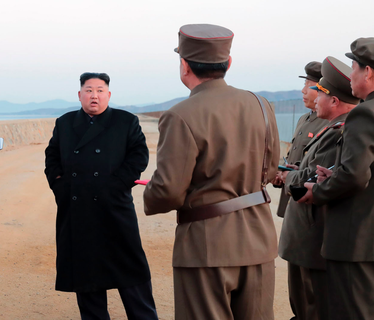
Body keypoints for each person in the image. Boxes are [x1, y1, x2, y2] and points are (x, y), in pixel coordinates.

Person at [143, 24, 280, 320]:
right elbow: (269, 170)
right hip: (258, 239)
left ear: (184, 66)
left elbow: (167, 190)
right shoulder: (261, 105)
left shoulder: (180, 115)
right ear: (228, 63)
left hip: (206, 246)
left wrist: (149, 196)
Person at [44, 72, 157, 319]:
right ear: (79, 94)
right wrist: (59, 185)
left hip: (114, 208)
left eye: (99, 90)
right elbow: (52, 156)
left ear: (108, 94)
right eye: (88, 90)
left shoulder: (125, 121)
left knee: (132, 271)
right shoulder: (65, 122)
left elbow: (139, 155)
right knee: (87, 277)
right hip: (77, 210)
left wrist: (117, 185)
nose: (94, 95)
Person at [277, 56, 359, 320]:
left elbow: (308, 180)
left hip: (312, 240)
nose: (313, 97)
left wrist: (287, 177)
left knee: (312, 308)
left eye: (319, 92)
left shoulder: (338, 132)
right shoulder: (331, 127)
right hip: (306, 238)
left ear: (334, 100)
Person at [298, 37, 374, 319]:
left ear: (368, 72)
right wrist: (338, 174)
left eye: (354, 67)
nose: (351, 74)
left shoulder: (365, 114)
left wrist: (319, 190)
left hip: (358, 239)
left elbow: (355, 176)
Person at [274, 61, 328, 218]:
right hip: (291, 196)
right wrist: (281, 175)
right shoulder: (304, 119)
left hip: (308, 201)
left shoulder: (328, 123)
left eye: (309, 85)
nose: (303, 91)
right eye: (304, 84)